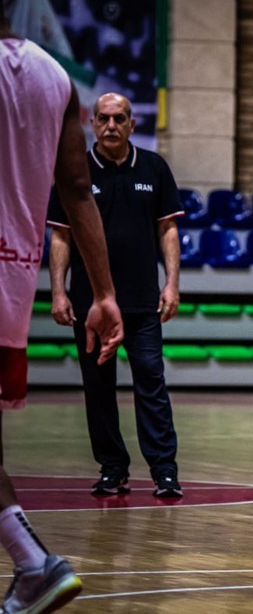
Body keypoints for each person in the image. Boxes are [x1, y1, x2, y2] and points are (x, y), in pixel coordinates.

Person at [1, 0, 123, 611]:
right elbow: (78, 190)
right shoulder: (54, 77)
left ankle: (35, 563)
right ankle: (32, 565)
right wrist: (102, 293)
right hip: (12, 285)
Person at [47, 92, 185, 499]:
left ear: (131, 124)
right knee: (98, 387)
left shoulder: (155, 168)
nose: (111, 125)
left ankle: (164, 471)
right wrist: (58, 291)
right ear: (92, 123)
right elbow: (61, 236)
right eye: (103, 118)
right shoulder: (74, 170)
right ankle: (112, 468)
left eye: (119, 118)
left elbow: (168, 230)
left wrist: (172, 283)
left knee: (151, 380)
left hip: (142, 301)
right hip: (90, 304)